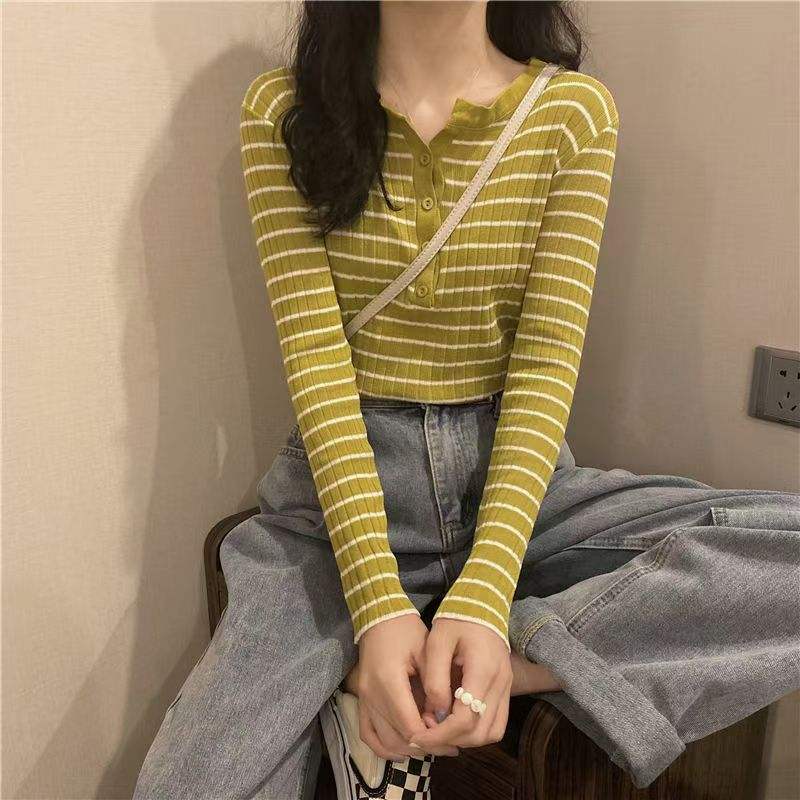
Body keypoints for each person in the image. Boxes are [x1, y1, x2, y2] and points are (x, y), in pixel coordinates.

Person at [132, 2, 800, 798]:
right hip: (338, 511)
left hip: (516, 492)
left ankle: (518, 657)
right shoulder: (282, 110)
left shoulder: (571, 114)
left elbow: (545, 366)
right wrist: (377, 608)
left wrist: (486, 603)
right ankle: (415, 658)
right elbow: (316, 364)